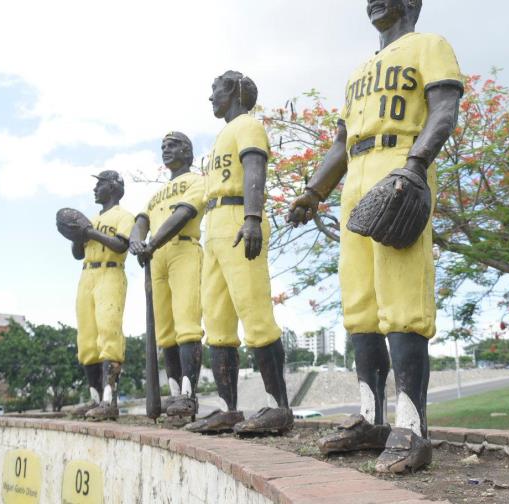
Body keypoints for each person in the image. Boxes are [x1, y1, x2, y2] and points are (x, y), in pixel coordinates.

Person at [287, 0, 463, 473]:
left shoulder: (429, 45)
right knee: (360, 304)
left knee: (402, 300)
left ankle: (412, 428)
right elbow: (340, 142)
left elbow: (444, 111)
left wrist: (416, 166)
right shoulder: (360, 71)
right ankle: (371, 418)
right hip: (357, 176)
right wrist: (313, 192)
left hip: (399, 162)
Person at [184, 71, 292, 435]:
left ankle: (278, 406)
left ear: (234, 92)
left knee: (254, 310)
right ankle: (229, 408)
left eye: (216, 90)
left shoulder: (247, 125)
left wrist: (252, 217)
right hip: (215, 222)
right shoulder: (222, 135)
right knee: (216, 320)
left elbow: (254, 167)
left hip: (237, 215)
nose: (211, 97)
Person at [129, 132, 206, 424]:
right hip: (156, 258)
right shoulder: (156, 194)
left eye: (172, 145)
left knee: (187, 323)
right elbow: (142, 221)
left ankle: (188, 394)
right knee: (165, 331)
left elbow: (183, 215)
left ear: (187, 151)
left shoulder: (196, 181)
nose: (166, 150)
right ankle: (175, 393)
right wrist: (137, 242)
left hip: (183, 249)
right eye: (163, 146)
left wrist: (151, 243)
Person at [69, 170, 134, 421]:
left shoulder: (123, 216)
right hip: (87, 274)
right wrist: (76, 235)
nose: (95, 189)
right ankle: (95, 399)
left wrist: (90, 232)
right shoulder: (91, 219)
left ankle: (109, 401)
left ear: (114, 187)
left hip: (111, 272)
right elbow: (77, 254)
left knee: (109, 331)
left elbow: (121, 244)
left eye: (100, 184)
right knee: (86, 339)